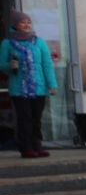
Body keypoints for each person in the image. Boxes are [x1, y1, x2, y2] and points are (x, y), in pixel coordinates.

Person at [5, 10, 58, 159]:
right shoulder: (7, 43)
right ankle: (26, 147)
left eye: (29, 22)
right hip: (19, 88)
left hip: (38, 87)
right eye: (23, 22)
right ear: (16, 25)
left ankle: (37, 145)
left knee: (36, 118)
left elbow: (47, 64)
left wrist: (52, 84)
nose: (27, 25)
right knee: (25, 118)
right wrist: (9, 65)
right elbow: (1, 64)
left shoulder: (39, 42)